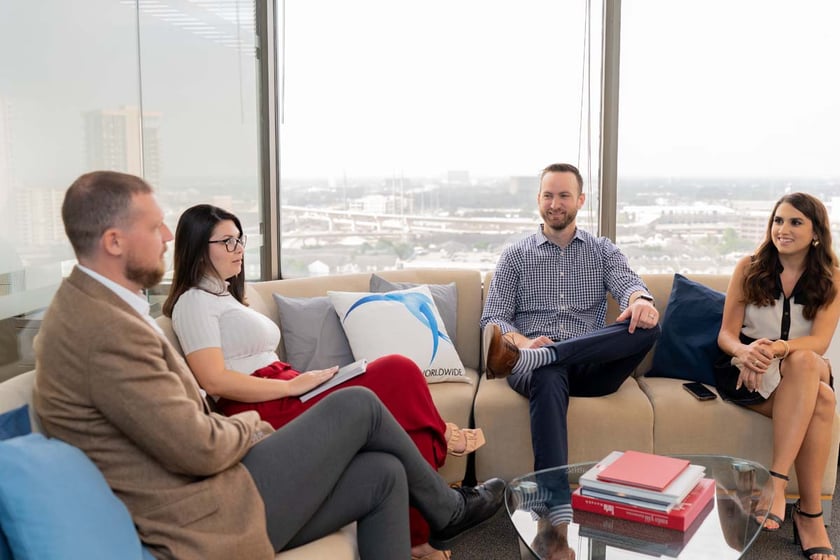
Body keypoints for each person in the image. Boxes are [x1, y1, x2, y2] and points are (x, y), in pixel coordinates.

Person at [33, 170, 505, 560]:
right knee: (359, 404)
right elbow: (198, 446)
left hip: (215, 484)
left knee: (383, 472)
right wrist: (255, 426)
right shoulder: (103, 331)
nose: (168, 236)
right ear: (114, 241)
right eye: (155, 226)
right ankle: (447, 509)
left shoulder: (101, 311)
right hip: (203, 516)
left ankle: (443, 509)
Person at [162, 203, 485, 560]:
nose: (238, 249)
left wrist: (296, 382)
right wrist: (289, 387)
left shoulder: (225, 296)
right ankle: (443, 466)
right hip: (263, 407)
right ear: (197, 247)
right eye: (227, 242)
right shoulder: (193, 302)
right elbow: (215, 380)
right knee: (397, 371)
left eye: (240, 239)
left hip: (285, 389)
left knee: (399, 404)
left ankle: (418, 538)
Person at [480, 162, 660, 521]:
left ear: (580, 200)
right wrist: (525, 343)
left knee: (649, 326)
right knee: (547, 372)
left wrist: (640, 300)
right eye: (548, 195)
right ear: (538, 199)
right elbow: (494, 319)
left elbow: (628, 282)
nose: (555, 203)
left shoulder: (602, 250)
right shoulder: (515, 256)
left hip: (590, 366)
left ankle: (550, 355)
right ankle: (554, 500)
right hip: (531, 363)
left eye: (564, 195)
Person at [715, 192, 837, 560]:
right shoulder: (749, 267)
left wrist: (779, 348)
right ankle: (810, 516)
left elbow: (819, 342)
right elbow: (726, 335)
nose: (783, 229)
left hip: (800, 365)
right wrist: (745, 352)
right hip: (750, 369)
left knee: (805, 361)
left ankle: (777, 483)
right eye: (778, 221)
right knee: (824, 398)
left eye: (796, 222)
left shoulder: (831, 277)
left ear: (816, 233)